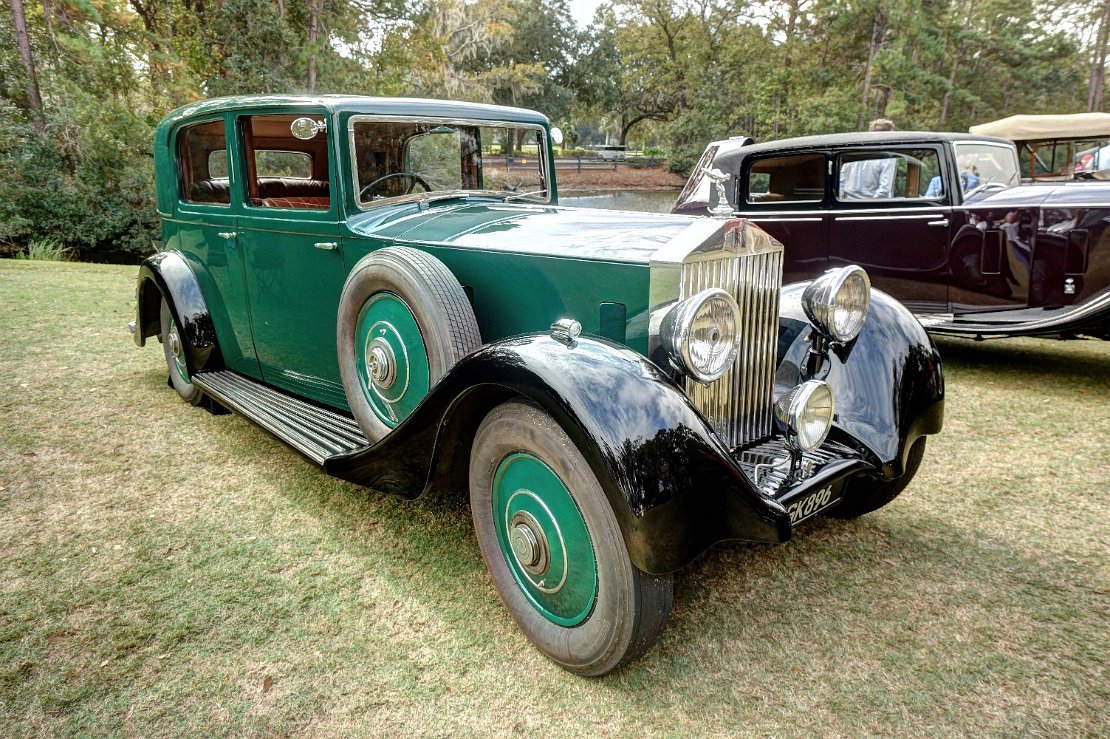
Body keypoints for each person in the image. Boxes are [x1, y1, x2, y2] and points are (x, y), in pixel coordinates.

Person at [839, 118, 897, 199]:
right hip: (872, 205)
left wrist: (841, 201)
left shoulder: (852, 152)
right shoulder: (888, 157)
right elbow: (884, 190)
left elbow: (840, 182)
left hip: (846, 203)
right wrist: (871, 205)